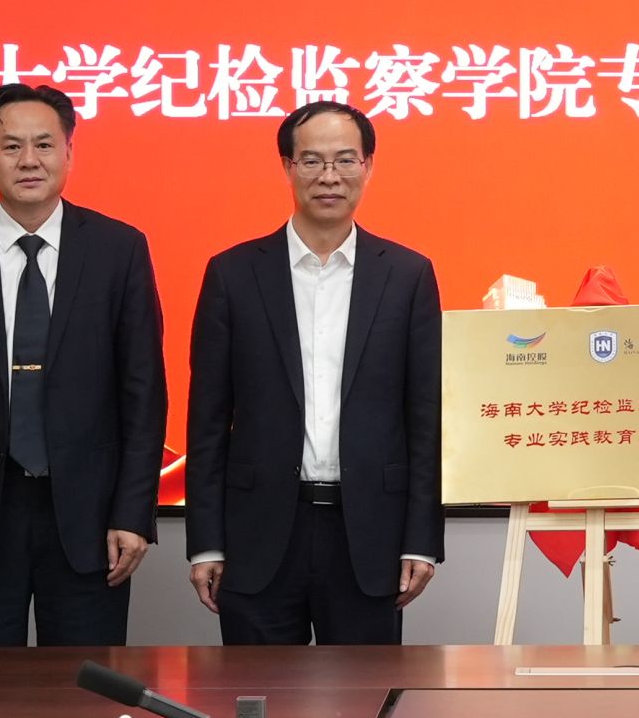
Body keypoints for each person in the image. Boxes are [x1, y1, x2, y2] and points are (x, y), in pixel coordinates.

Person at [0, 84, 167, 682]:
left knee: (87, 701)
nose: (29, 160)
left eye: (44, 144)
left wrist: (133, 513)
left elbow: (144, 396)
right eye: (11, 145)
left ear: (69, 152)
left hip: (90, 520)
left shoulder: (118, 250)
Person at [184, 102, 444, 644]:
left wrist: (420, 538)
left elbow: (425, 418)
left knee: (364, 694)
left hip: (368, 534)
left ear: (368, 166)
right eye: (312, 161)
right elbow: (207, 419)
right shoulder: (233, 274)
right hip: (258, 534)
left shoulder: (407, 275)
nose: (329, 176)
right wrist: (206, 540)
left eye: (346, 160)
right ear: (287, 167)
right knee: (259, 694)